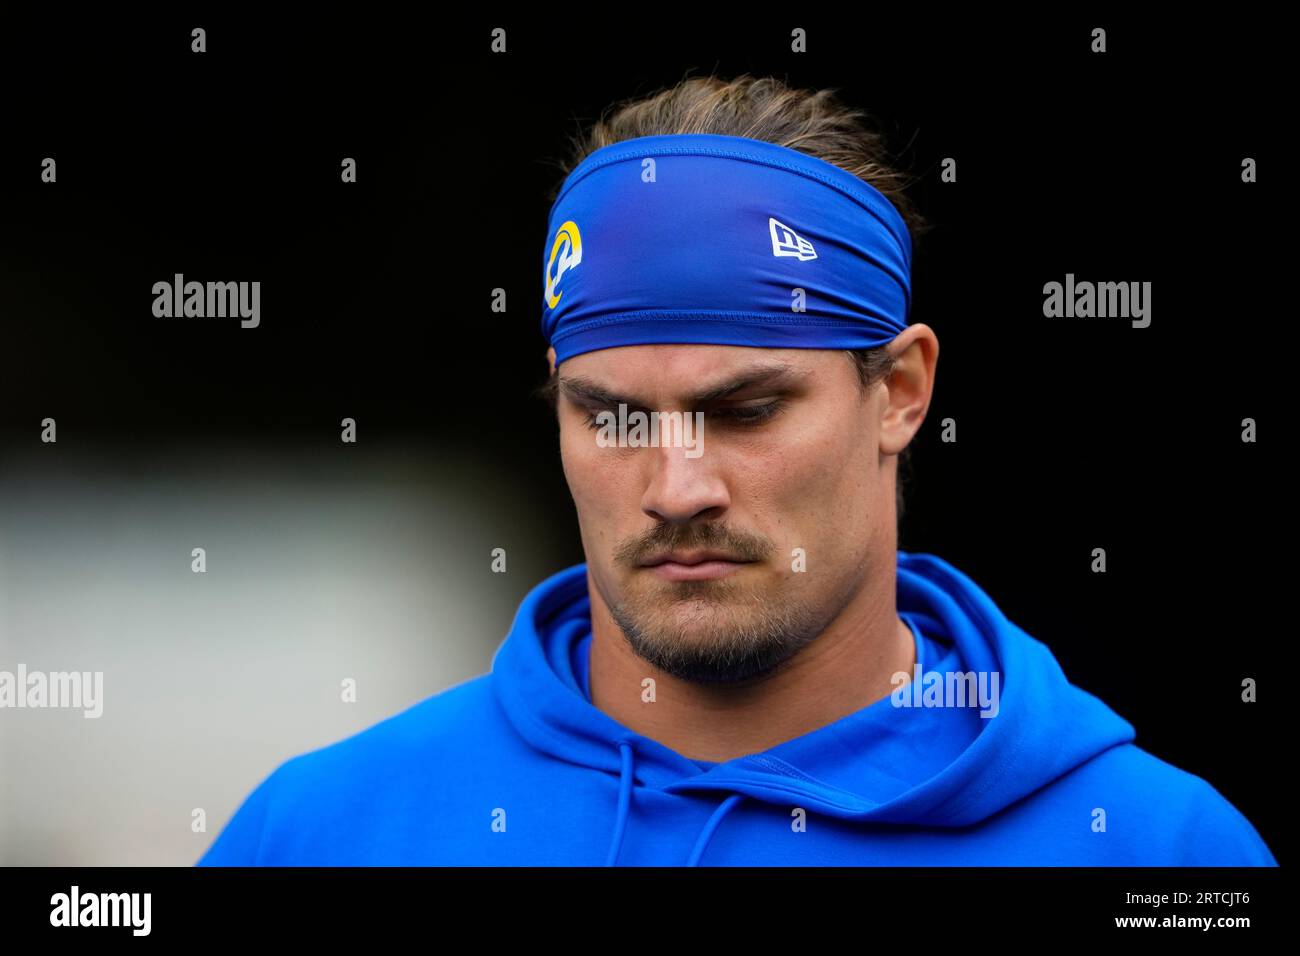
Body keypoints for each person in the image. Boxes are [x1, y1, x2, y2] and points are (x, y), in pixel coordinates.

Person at [198, 75, 1275, 866]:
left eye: (744, 410)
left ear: (899, 390)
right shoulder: (322, 831)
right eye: (612, 414)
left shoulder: (1157, 853)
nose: (676, 487)